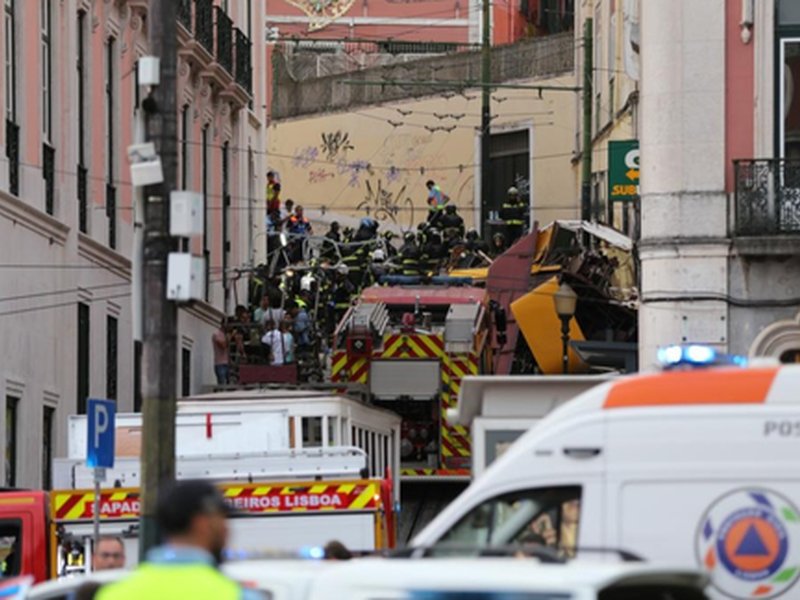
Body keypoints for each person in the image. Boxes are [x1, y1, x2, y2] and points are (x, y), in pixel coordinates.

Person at [96, 480, 254, 600]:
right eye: (222, 519)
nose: (226, 529)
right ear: (203, 524)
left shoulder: (113, 595)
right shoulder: (236, 595)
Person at [212, 319, 230, 385]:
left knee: (229, 384)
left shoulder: (226, 334)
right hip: (220, 364)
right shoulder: (216, 334)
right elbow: (223, 346)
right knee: (222, 384)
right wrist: (228, 339)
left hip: (227, 363)